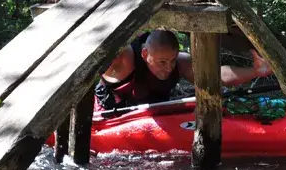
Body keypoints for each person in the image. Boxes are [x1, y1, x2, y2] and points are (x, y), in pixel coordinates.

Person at [94, 29, 273, 111]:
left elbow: (215, 75)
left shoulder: (179, 63)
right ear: (144, 54)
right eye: (162, 61)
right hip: (109, 115)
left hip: (152, 114)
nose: (168, 67)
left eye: (172, 60)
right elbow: (92, 53)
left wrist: (255, 71)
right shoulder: (124, 60)